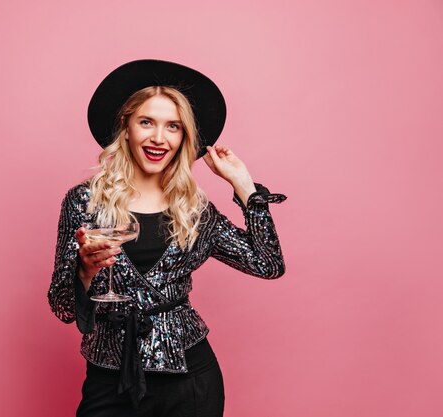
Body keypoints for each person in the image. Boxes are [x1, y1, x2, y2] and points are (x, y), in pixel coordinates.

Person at [48, 59, 288, 417]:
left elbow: (267, 264)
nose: (159, 137)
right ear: (126, 127)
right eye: (147, 122)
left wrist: (246, 189)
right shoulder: (85, 202)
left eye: (173, 126)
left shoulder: (194, 210)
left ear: (184, 138)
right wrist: (84, 270)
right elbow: (63, 306)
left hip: (189, 378)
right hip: (109, 375)